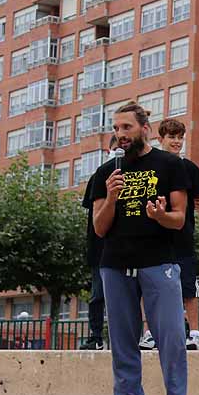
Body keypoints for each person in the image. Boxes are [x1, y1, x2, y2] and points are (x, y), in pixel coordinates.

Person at [90, 102, 194, 395]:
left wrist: (159, 216)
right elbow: (99, 228)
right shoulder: (105, 173)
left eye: (126, 128)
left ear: (144, 129)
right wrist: (110, 198)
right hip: (115, 265)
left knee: (172, 338)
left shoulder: (169, 165)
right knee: (122, 341)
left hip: (159, 262)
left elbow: (179, 219)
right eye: (116, 129)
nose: (120, 135)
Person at [138, 119, 199, 351]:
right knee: (150, 286)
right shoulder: (151, 166)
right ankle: (149, 333)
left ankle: (194, 334)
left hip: (182, 237)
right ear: (160, 139)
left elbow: (196, 201)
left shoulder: (190, 169)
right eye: (171, 137)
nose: (176, 142)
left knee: (188, 285)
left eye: (179, 137)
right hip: (154, 237)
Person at [78, 137, 116, 351]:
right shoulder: (99, 175)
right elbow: (93, 212)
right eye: (115, 148)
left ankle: (125, 337)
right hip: (99, 247)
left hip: (123, 248)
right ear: (108, 150)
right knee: (98, 295)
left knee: (124, 296)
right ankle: (96, 337)